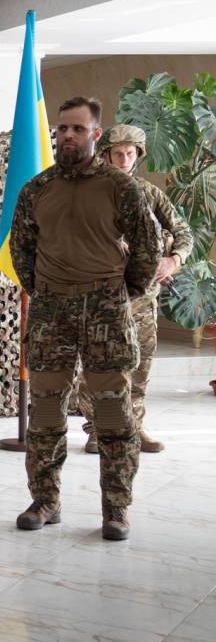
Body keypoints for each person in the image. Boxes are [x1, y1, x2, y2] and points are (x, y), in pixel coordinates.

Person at [11, 96, 159, 541]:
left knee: (112, 413)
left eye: (77, 129)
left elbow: (147, 249)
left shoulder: (120, 186)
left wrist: (119, 293)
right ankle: (45, 500)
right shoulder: (37, 189)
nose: (68, 136)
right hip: (51, 310)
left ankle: (116, 508)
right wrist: (46, 291)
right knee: (45, 412)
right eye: (62, 129)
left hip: (105, 310)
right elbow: (21, 251)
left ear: (96, 134)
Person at [78, 124, 192, 455]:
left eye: (130, 153)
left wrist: (172, 260)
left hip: (143, 298)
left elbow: (182, 231)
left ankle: (133, 427)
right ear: (106, 155)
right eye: (118, 153)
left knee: (140, 364)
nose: (124, 159)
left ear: (137, 155)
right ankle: (98, 429)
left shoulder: (149, 193)